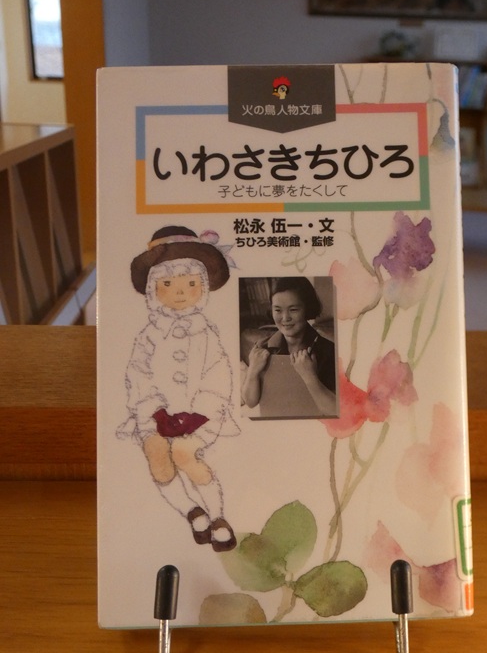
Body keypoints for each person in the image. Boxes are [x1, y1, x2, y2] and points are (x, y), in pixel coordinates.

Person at [117, 225, 240, 552]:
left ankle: (218, 517)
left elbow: (219, 376)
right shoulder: (148, 335)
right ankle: (191, 510)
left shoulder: (206, 333)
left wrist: (199, 414)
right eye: (168, 284)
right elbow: (138, 374)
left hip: (200, 415)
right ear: (153, 289)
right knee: (157, 454)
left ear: (203, 287)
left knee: (184, 453)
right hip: (155, 413)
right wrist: (156, 412)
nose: (181, 292)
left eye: (191, 283)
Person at [242, 276, 337, 417]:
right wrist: (252, 372)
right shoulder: (262, 347)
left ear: (307, 309)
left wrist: (310, 376)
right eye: (278, 310)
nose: (285, 318)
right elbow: (250, 402)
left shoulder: (329, 350)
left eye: (293, 310)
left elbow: (334, 411)